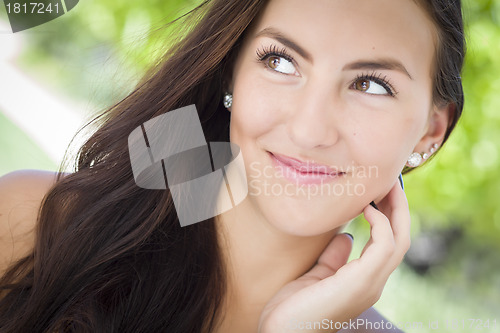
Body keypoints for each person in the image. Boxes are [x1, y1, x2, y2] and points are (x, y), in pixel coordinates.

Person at [0, 0, 465, 332]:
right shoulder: (34, 225)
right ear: (231, 73)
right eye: (280, 62)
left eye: (371, 84)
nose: (309, 130)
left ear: (431, 130)